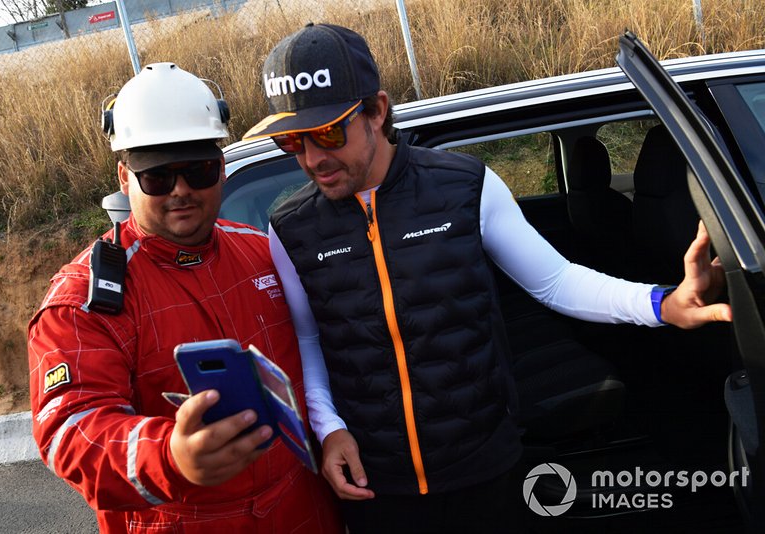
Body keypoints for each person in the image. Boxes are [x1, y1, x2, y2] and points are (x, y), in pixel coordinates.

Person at [242, 23, 733, 533]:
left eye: (328, 132)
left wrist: (663, 304)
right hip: (376, 484)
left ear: (378, 110)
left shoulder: (465, 187)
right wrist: (328, 429)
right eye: (291, 141)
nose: (312, 159)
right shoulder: (291, 229)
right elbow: (309, 339)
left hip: (486, 467)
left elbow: (556, 281)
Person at [27, 62, 343, 533]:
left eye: (198, 170)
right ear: (123, 177)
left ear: (220, 168)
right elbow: (68, 429)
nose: (181, 191)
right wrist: (170, 456)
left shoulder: (262, 251)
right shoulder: (85, 301)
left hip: (304, 511)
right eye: (157, 176)